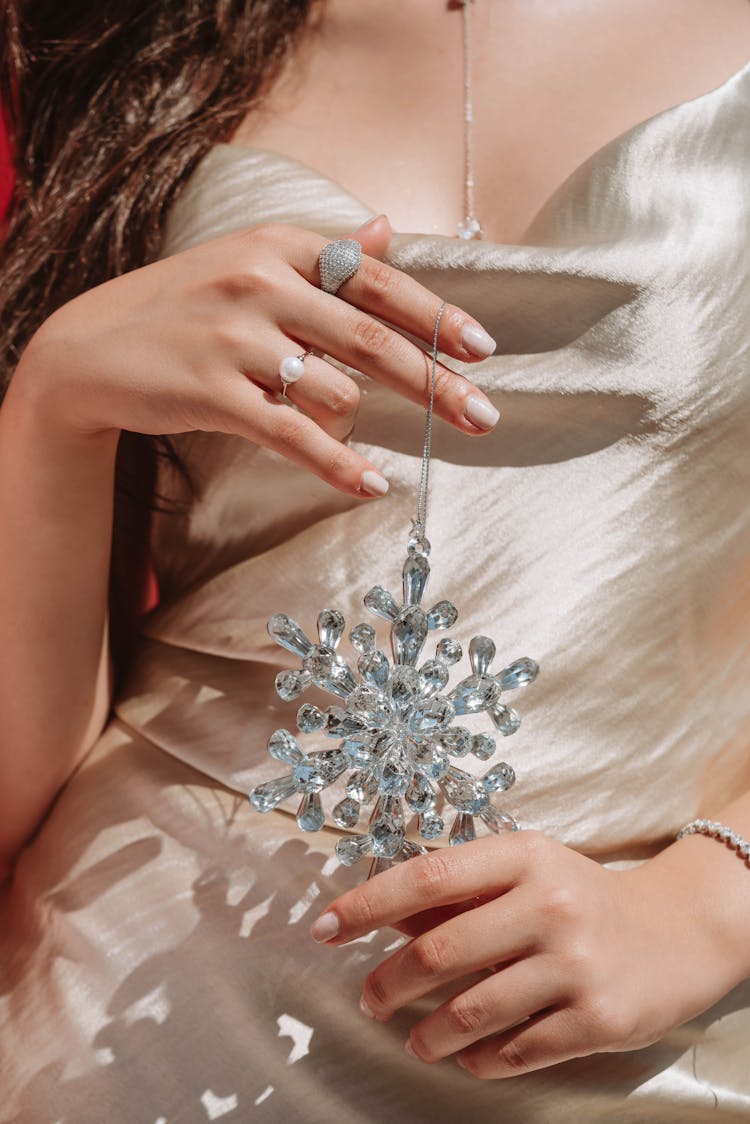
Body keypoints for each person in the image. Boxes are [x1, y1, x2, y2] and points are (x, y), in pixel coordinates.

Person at [1, 1, 749, 1120]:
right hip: (132, 1023)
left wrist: (710, 903)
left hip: (646, 1045)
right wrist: (54, 400)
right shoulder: (121, 33)